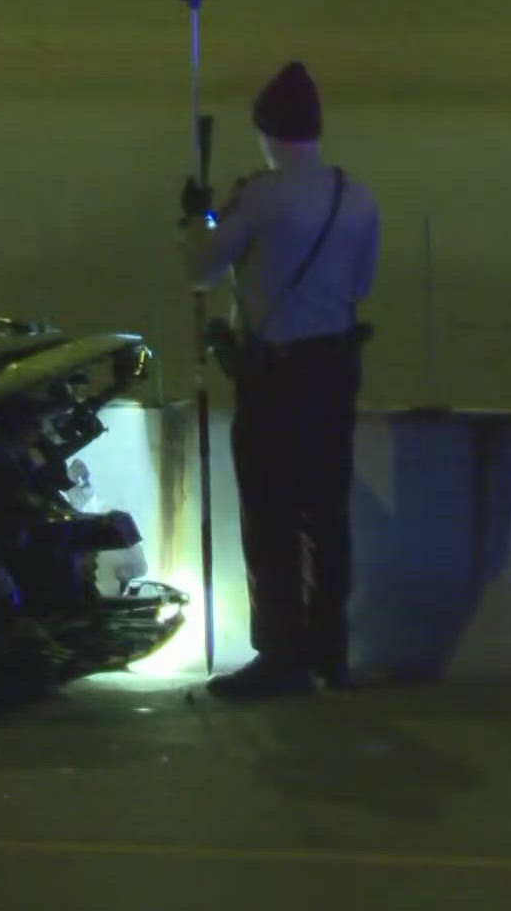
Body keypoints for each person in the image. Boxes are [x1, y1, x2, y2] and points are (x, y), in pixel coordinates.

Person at [177, 60, 380, 701]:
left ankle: (281, 658)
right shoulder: (356, 194)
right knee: (327, 515)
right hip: (336, 367)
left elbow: (201, 270)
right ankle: (331, 652)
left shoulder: (260, 195)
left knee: (271, 519)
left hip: (278, 376)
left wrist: (199, 219)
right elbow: (363, 284)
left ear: (266, 130)